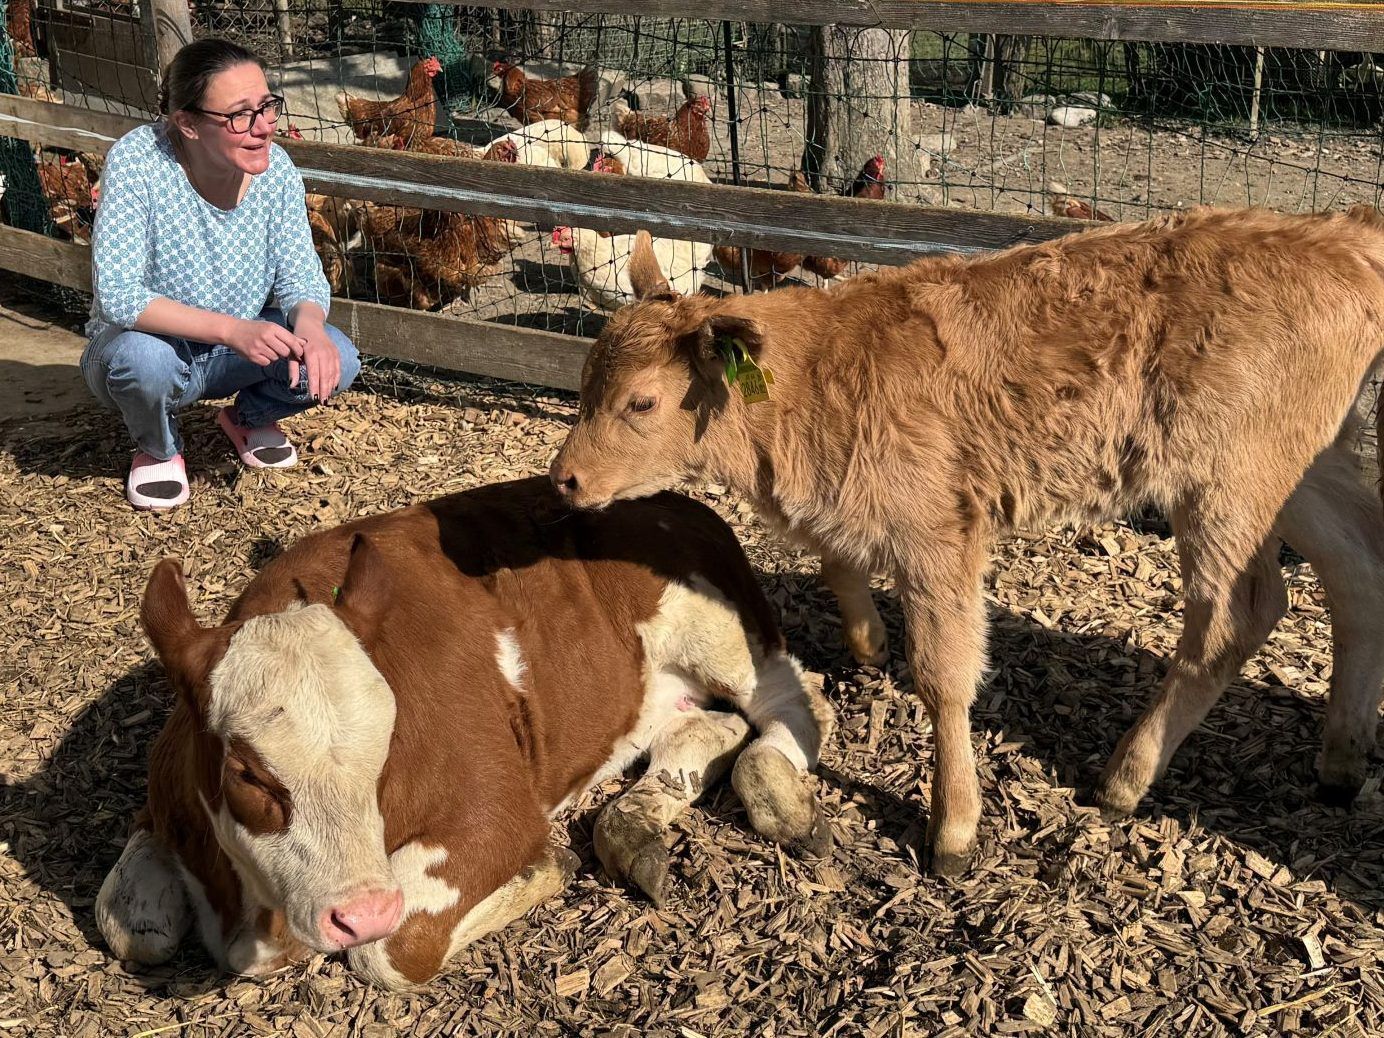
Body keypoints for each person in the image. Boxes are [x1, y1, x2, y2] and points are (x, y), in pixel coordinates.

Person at [81, 38, 359, 510]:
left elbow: (301, 277)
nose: (263, 127)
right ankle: (158, 446)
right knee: (142, 362)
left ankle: (249, 417)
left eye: (267, 106)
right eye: (240, 115)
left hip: (237, 349)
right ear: (188, 123)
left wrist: (311, 329)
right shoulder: (138, 161)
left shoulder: (278, 171)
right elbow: (118, 295)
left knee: (340, 357)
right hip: (152, 346)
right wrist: (233, 330)